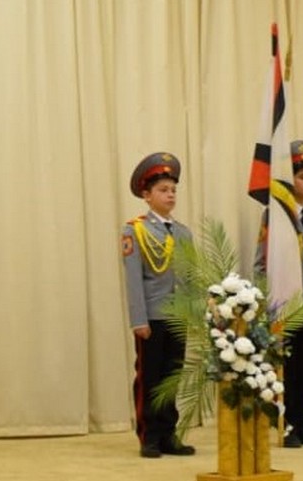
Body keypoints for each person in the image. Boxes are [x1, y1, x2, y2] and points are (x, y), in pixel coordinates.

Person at [255, 140, 303, 448]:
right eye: (302, 177)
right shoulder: (276, 217)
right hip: (286, 306)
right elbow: (261, 262)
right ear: (291, 181)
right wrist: (264, 303)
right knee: (287, 369)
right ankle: (287, 424)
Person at [121, 152, 195, 459]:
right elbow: (133, 279)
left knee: (172, 377)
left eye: (173, 190)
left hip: (178, 317)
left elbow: (189, 277)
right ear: (147, 195)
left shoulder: (183, 232)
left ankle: (168, 434)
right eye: (163, 190)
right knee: (150, 377)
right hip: (152, 316)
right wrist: (139, 319)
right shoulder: (135, 230)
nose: (170, 195)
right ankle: (149, 435)